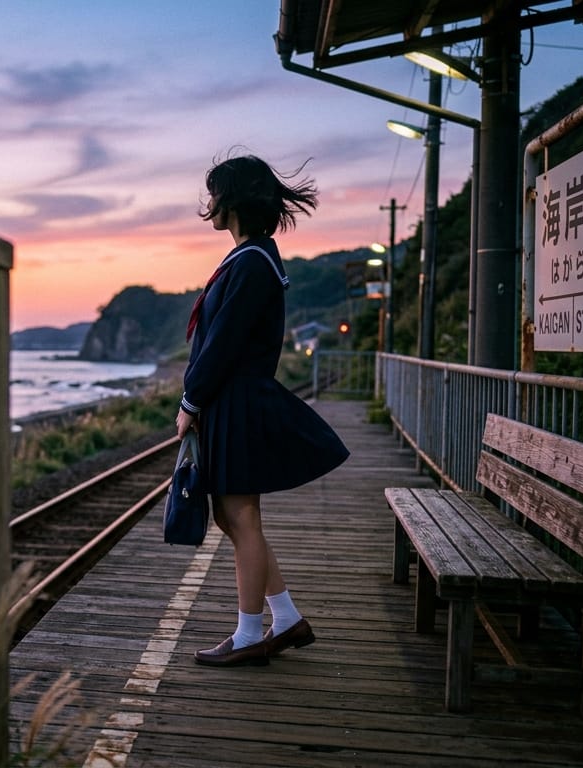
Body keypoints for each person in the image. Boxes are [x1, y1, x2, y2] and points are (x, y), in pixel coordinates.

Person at [177, 153, 350, 668]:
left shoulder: (252, 261)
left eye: (214, 193)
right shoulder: (253, 257)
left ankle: (251, 635)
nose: (209, 203)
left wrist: (191, 400)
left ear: (231, 201)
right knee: (235, 519)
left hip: (238, 401)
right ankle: (286, 617)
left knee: (240, 516)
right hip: (237, 400)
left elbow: (224, 341)